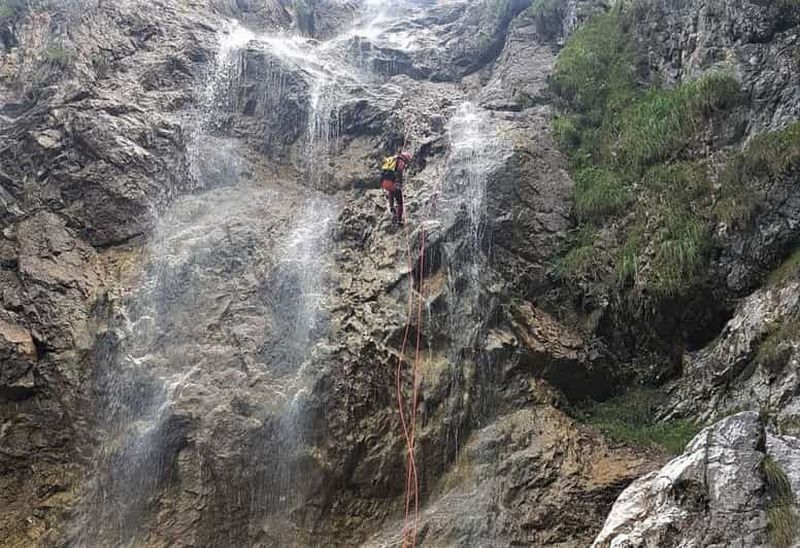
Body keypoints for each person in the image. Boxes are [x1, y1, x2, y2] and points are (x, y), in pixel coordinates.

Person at [380, 151, 412, 226]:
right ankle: (399, 220)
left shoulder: (393, 159)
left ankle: (391, 207)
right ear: (406, 159)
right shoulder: (401, 161)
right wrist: (399, 184)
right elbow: (399, 172)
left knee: (391, 191)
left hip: (384, 182)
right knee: (400, 202)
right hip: (392, 183)